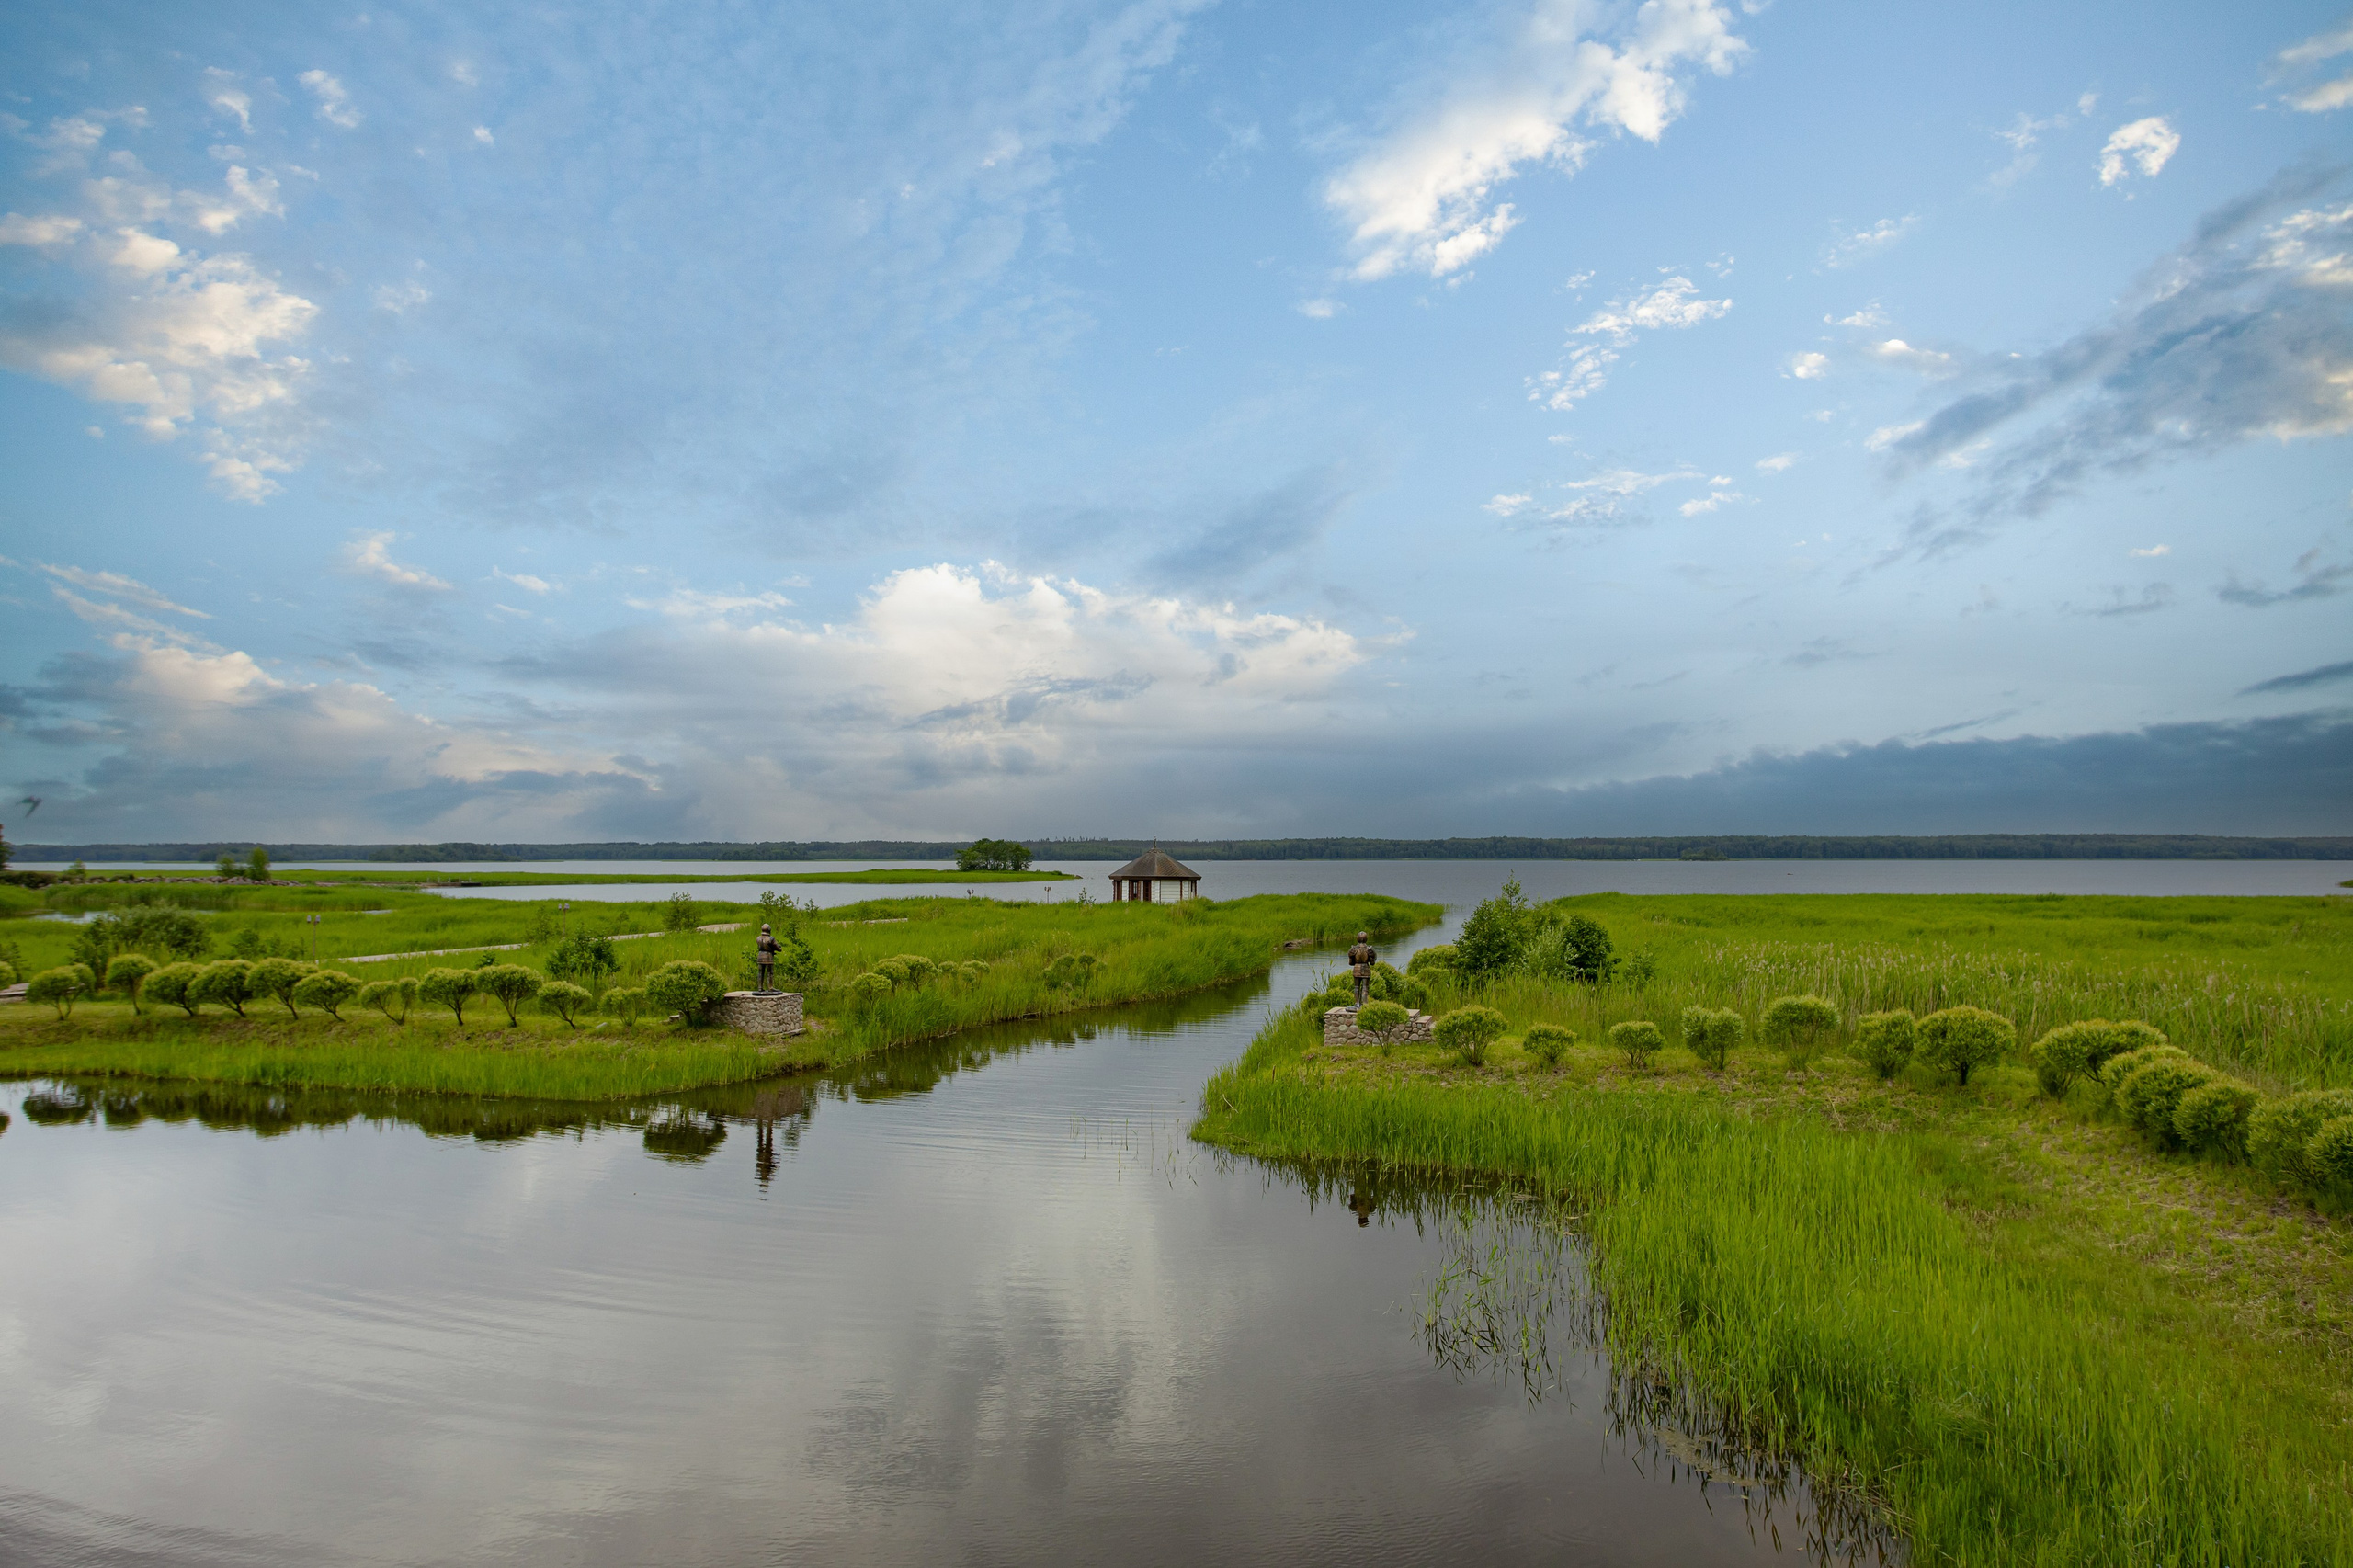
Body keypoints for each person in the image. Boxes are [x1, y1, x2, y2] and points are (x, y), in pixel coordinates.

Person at [1347, 930, 1377, 1008]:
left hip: (1357, 969)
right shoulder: (1369, 949)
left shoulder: (1354, 949)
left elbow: (1351, 963)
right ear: (1366, 939)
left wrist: (1351, 957)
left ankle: (1357, 1003)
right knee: (1365, 987)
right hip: (1366, 969)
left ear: (1357, 939)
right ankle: (1364, 1004)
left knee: (1356, 987)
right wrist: (1373, 957)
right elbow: (1372, 963)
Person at [755, 923, 781, 993]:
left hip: (760, 956)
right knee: (770, 972)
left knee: (760, 972)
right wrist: (779, 948)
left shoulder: (758, 938)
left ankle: (760, 987)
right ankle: (770, 987)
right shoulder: (771, 939)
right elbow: (776, 947)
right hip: (768, 957)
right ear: (769, 930)